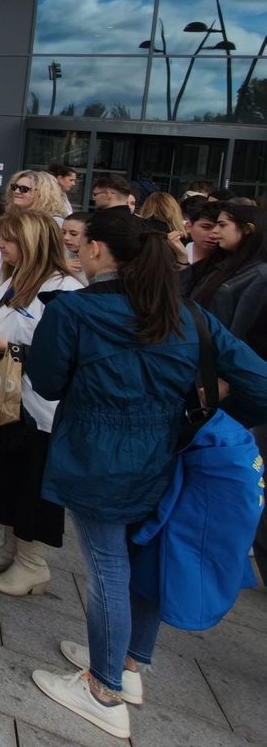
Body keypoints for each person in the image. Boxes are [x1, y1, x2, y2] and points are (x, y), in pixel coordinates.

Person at [24, 208, 267, 738]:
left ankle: (104, 690)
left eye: (83, 242)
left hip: (96, 460)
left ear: (100, 251)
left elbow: (45, 381)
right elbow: (261, 383)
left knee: (110, 568)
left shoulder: (75, 312)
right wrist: (210, 402)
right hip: (166, 456)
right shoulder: (187, 314)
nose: (79, 250)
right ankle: (129, 663)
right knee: (144, 555)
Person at [0, 210, 83, 596]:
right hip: (5, 401)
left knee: (30, 486)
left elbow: (66, 355)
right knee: (6, 479)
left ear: (30, 243)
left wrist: (9, 347)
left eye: (8, 241)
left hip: (37, 410)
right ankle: (12, 548)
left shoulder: (64, 291)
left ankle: (32, 563)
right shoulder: (15, 280)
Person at [185, 203, 267, 339]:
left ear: (247, 229)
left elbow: (239, 331)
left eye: (222, 225)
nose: (215, 231)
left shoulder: (259, 275)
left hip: (219, 350)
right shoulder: (221, 262)